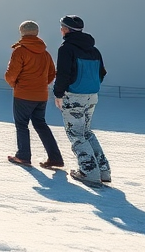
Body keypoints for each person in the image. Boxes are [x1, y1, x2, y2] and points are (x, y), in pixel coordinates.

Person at [53, 16, 110, 185]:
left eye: (61, 27)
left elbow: (62, 74)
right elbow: (102, 73)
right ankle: (103, 171)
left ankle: (89, 172)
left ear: (65, 29)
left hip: (74, 96)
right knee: (86, 132)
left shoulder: (66, 48)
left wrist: (58, 94)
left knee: (76, 135)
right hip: (92, 96)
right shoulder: (94, 50)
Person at [5, 20, 65, 169]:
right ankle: (55, 157)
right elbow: (52, 73)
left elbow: (11, 74)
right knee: (41, 124)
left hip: (23, 94)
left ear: (22, 33)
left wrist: (16, 85)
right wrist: (42, 85)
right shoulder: (45, 53)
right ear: (36, 33)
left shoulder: (20, 51)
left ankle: (23, 156)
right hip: (41, 95)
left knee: (21, 125)